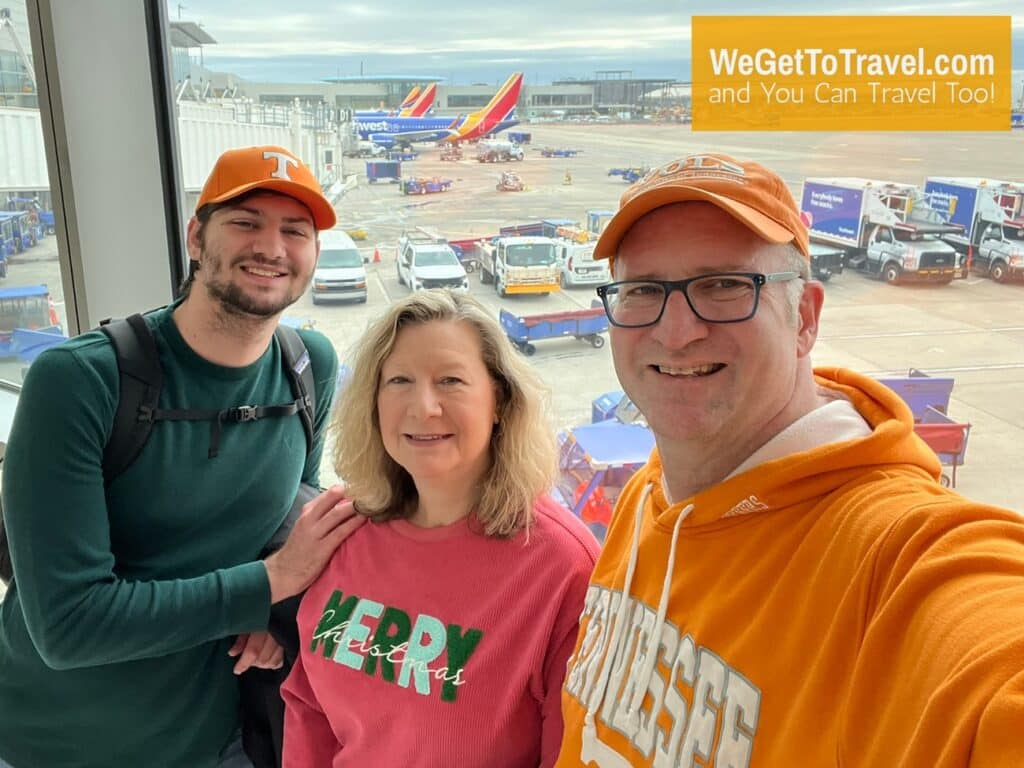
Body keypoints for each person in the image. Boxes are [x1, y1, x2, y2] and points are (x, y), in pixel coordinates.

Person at [556, 153, 1024, 767]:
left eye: (723, 285)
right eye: (643, 290)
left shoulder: (890, 554)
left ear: (803, 317)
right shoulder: (648, 496)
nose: (675, 332)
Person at [0, 145, 365, 768]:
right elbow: (68, 626)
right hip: (61, 742)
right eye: (246, 222)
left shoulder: (308, 369)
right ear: (197, 238)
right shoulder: (81, 381)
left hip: (217, 736)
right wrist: (268, 584)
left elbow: (283, 526)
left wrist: (268, 615)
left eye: (295, 231)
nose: (272, 247)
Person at [281, 290, 599, 767]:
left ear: (499, 402)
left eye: (450, 380)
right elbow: (308, 708)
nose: (423, 406)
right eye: (399, 381)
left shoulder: (561, 567)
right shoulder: (344, 527)